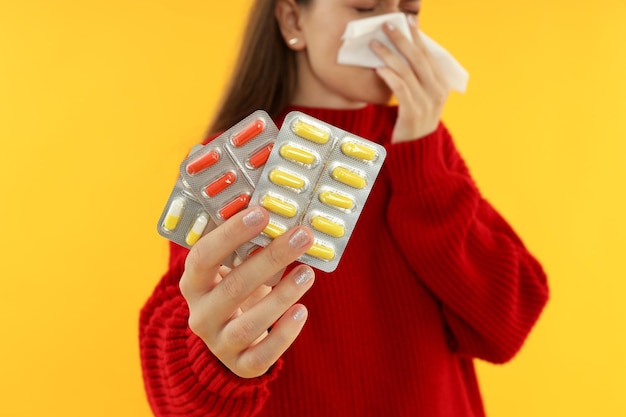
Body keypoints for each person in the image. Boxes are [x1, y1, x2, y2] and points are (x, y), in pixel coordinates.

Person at [139, 0, 550, 416]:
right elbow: (177, 390)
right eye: (365, 7)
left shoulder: (423, 150)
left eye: (409, 11)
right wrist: (215, 356)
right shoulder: (237, 161)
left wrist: (423, 161)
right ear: (293, 19)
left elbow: (507, 324)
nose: (393, 30)